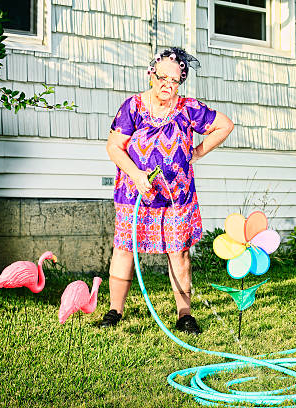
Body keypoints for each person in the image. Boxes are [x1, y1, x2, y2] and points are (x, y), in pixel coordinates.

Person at [100, 47, 234, 334]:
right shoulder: (133, 107)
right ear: (151, 75)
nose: (167, 85)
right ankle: (114, 311)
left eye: (174, 80)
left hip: (176, 198)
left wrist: (197, 151)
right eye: (162, 77)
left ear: (180, 83)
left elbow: (224, 125)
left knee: (179, 253)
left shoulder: (188, 108)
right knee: (124, 249)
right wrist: (135, 175)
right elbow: (114, 147)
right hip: (135, 194)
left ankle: (184, 315)